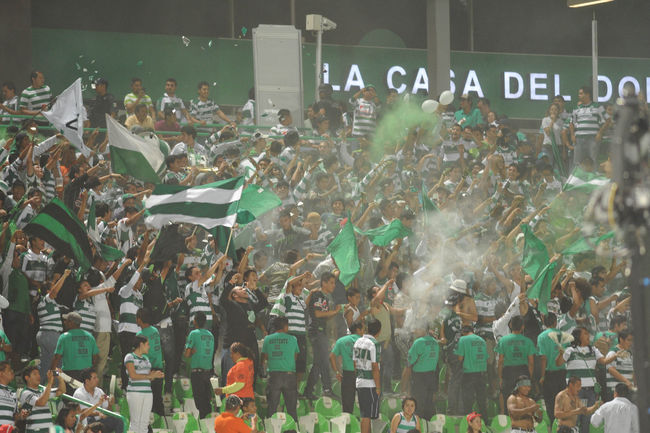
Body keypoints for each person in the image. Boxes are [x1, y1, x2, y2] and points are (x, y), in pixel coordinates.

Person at [556, 327, 621, 433]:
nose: (588, 336)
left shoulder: (593, 350)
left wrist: (616, 355)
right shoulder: (570, 350)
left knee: (587, 419)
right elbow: (558, 363)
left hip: (590, 390)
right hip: (575, 392)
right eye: (585, 333)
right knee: (575, 418)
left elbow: (604, 361)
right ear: (578, 337)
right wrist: (560, 354)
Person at [303, 272, 341, 399]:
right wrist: (335, 311)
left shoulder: (325, 297)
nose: (334, 285)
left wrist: (334, 312)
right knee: (321, 362)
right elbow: (317, 314)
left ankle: (321, 389)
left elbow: (323, 316)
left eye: (334, 283)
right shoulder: (318, 295)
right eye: (331, 283)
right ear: (324, 283)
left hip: (321, 332)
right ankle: (317, 390)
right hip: (316, 331)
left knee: (321, 362)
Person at [261, 316, 299, 421]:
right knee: (291, 408)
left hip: (274, 375)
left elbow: (265, 356)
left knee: (272, 407)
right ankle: (293, 427)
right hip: (289, 375)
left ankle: (270, 427)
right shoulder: (293, 339)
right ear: (285, 326)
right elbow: (295, 356)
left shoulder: (268, 339)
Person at [123, 335, 164, 433]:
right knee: (135, 422)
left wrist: (155, 375)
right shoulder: (130, 357)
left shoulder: (146, 358)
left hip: (148, 393)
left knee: (145, 423)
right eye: (147, 344)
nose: (149, 347)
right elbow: (133, 375)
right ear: (141, 344)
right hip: (135, 392)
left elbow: (148, 377)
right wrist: (150, 376)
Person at [495, 315, 535, 411]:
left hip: (508, 372)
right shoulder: (528, 341)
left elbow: (500, 361)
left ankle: (506, 416)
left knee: (506, 395)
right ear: (522, 327)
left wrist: (500, 377)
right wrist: (529, 376)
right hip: (523, 371)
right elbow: (531, 362)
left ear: (510, 325)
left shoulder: (503, 341)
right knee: (524, 397)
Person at [51, 311, 99, 386]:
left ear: (71, 323)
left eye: (66, 321)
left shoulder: (64, 337)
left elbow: (57, 357)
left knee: (69, 393)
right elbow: (95, 356)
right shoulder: (90, 336)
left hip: (70, 374)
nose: (64, 322)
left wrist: (52, 373)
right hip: (87, 374)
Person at [183, 311, 215, 419]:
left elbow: (187, 354)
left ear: (195, 321)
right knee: (206, 402)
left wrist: (192, 352)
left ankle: (203, 423)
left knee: (200, 403)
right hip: (208, 373)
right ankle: (207, 424)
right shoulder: (210, 335)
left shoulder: (193, 333)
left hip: (197, 373)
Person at [536, 312, 566, 425]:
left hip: (549, 374)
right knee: (562, 401)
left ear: (544, 322)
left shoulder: (542, 337)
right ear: (555, 322)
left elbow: (543, 358)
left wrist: (542, 376)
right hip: (562, 373)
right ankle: (562, 425)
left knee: (550, 402)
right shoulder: (562, 335)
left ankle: (553, 425)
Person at [72, 368, 123, 433]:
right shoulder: (79, 394)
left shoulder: (100, 391)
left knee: (118, 418)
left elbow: (107, 411)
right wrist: (98, 413)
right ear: (87, 381)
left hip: (100, 422)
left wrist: (110, 404)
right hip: (87, 423)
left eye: (97, 377)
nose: (97, 380)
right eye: (94, 378)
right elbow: (83, 413)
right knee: (89, 419)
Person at [404, 324, 439, 420]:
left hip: (419, 378)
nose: (415, 331)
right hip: (432, 376)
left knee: (418, 404)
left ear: (424, 329)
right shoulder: (435, 342)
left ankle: (418, 424)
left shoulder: (418, 342)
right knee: (429, 403)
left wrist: (404, 385)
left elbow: (409, 362)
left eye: (417, 328)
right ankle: (428, 424)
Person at [354, 318, 382, 433]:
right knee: (367, 416)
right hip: (370, 383)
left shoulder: (358, 341)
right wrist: (378, 387)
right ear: (379, 331)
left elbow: (354, 363)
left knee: (365, 415)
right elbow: (375, 367)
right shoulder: (374, 344)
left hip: (359, 381)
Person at [330, 320, 364, 414]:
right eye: (363, 330)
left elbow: (331, 357)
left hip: (348, 375)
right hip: (363, 374)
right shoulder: (365, 342)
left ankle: (348, 420)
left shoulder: (341, 341)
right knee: (365, 404)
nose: (364, 332)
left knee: (347, 406)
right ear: (358, 330)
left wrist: (337, 372)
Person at [19, 367, 66, 433]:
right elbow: (41, 402)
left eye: (39, 374)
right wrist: (49, 382)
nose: (38, 376)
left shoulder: (43, 391)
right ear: (27, 378)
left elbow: (62, 390)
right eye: (35, 374)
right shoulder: (26, 392)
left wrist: (59, 377)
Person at [135, 309, 164, 417]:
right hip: (159, 368)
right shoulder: (155, 330)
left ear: (139, 319)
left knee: (147, 401)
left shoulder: (140, 335)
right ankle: (161, 422)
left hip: (148, 371)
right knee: (158, 398)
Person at [455, 325, 487, 418]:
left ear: (463, 332)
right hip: (481, 373)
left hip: (469, 373)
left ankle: (469, 421)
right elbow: (486, 357)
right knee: (482, 400)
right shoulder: (482, 340)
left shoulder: (463, 339)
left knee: (468, 401)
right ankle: (485, 421)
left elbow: (460, 358)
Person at [570, 86, 605, 168]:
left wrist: (600, 133)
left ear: (587, 94)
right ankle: (577, 176)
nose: (579, 95)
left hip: (593, 138)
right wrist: (572, 135)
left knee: (593, 160)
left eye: (581, 93)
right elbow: (571, 123)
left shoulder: (598, 106)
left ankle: (593, 176)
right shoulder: (576, 108)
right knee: (577, 161)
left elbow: (607, 120)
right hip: (579, 138)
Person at [605, 330, 634, 397]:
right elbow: (611, 370)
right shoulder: (613, 352)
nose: (630, 343)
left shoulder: (630, 353)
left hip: (628, 391)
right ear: (621, 339)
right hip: (616, 392)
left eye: (632, 340)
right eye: (628, 340)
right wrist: (626, 381)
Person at [0, 362, 28, 426]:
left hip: (10, 429)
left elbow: (15, 416)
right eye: (9, 370)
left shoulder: (13, 392)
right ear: (1, 373)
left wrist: (22, 415)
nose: (12, 371)